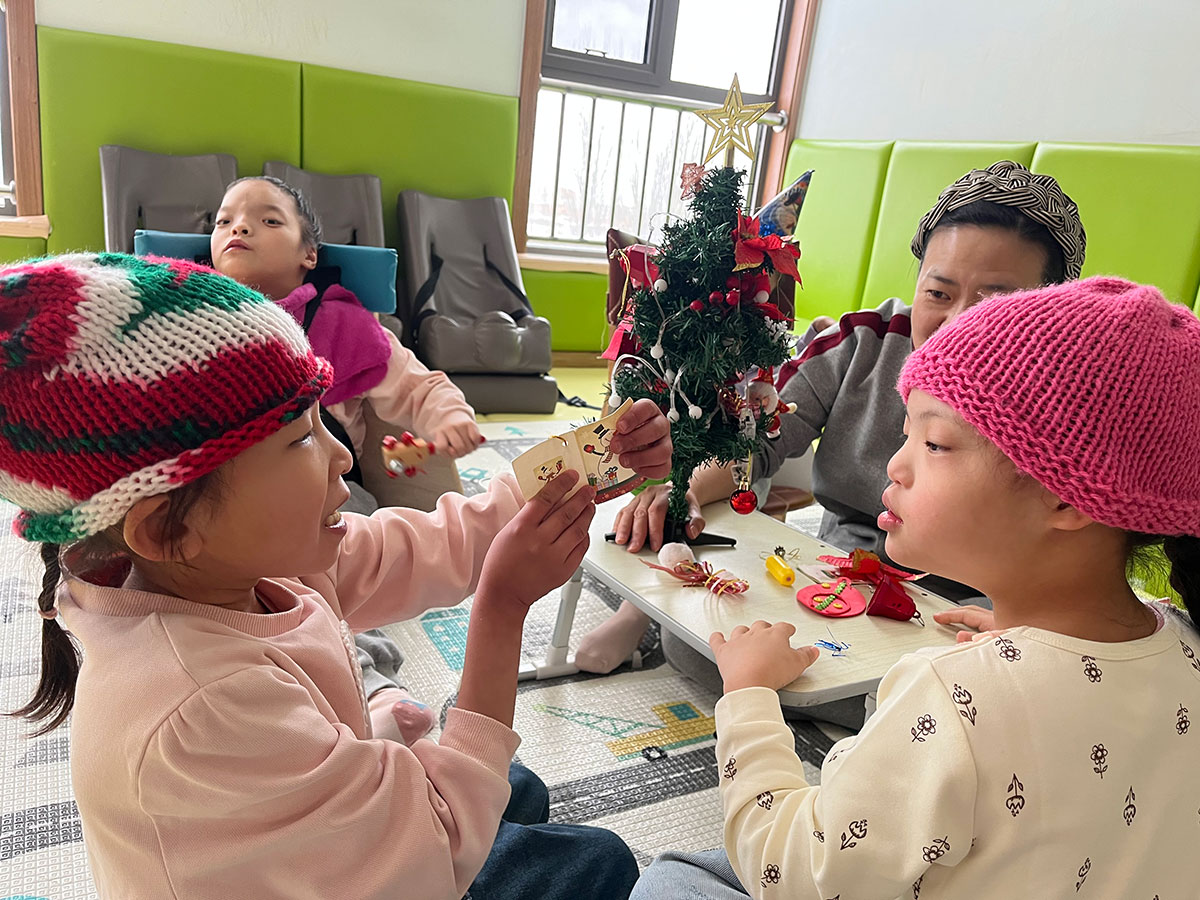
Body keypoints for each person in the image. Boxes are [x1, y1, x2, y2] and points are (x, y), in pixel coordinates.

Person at [1, 254, 673, 899]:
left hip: (327, 841)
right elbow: (436, 856)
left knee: (514, 786)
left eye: (322, 421)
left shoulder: (239, 564)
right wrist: (502, 607)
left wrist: (588, 464)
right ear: (166, 528)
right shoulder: (200, 704)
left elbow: (434, 543)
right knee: (599, 862)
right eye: (300, 438)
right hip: (396, 870)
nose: (342, 456)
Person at [631, 275, 1200, 898]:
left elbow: (790, 872)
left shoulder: (948, 696)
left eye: (934, 443)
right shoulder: (1184, 643)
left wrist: (748, 697)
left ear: (1065, 498)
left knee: (671, 878)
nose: (895, 466)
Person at [576, 161, 1085, 677]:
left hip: (973, 611)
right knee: (699, 646)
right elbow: (757, 441)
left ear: (1051, 310)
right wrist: (684, 490)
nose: (958, 324)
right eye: (938, 293)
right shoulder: (863, 343)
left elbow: (1084, 564)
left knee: (955, 690)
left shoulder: (1076, 403)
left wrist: (1023, 626)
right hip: (838, 581)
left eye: (995, 302)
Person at [211, 175, 483, 743]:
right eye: (224, 220)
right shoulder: (194, 319)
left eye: (268, 220)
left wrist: (449, 418)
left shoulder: (340, 326)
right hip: (222, 493)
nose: (240, 228)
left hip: (329, 488)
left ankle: (371, 687)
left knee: (318, 582)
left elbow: (418, 385)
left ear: (309, 254)